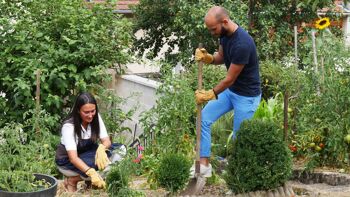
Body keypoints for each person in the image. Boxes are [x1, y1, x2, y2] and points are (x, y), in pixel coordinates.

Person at [192, 6, 261, 177]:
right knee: (203, 118)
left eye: (213, 29)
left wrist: (209, 94)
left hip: (247, 96)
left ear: (224, 22)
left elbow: (230, 78)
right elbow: (221, 57)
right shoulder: (224, 36)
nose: (211, 32)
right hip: (232, 91)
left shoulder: (242, 44)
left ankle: (240, 181)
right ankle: (204, 166)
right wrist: (208, 58)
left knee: (240, 139)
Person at [55, 92, 125, 192]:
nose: (90, 115)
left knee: (120, 150)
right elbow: (73, 158)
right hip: (67, 161)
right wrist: (90, 172)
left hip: (88, 155)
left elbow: (106, 141)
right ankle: (72, 180)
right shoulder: (69, 126)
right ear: (78, 111)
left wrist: (102, 148)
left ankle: (89, 181)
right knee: (99, 165)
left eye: (93, 111)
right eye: (86, 112)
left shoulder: (96, 117)